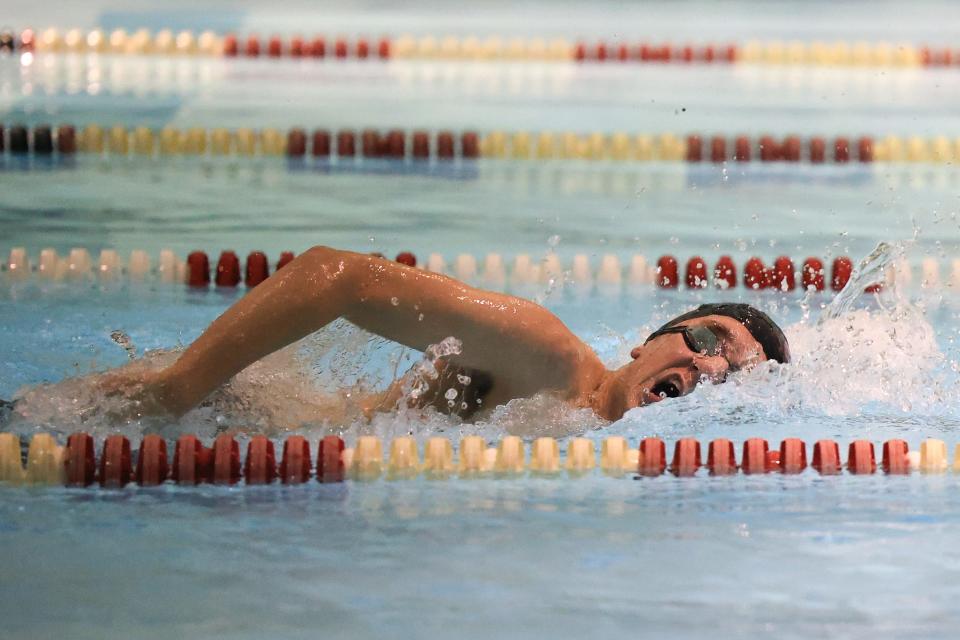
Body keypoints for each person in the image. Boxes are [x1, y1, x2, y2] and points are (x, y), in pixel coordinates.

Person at [101, 246, 790, 424]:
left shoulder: (591, 434)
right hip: (227, 421)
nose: (709, 368)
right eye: (706, 341)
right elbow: (334, 275)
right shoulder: (547, 357)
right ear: (648, 341)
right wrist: (176, 390)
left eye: (734, 374)